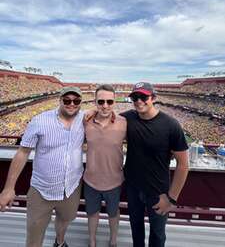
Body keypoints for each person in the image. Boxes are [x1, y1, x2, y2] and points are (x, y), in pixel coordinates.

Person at [0, 87, 85, 247]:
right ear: (59, 100)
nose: (71, 104)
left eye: (76, 101)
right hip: (42, 190)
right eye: (67, 100)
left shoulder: (84, 118)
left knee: (65, 220)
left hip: (71, 188)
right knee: (34, 235)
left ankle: (59, 242)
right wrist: (9, 188)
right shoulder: (39, 120)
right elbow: (22, 153)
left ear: (80, 103)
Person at [120, 82, 189, 247]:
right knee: (136, 232)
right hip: (133, 188)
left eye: (143, 97)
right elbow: (107, 116)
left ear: (153, 98)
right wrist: (93, 110)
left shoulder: (171, 125)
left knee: (157, 236)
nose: (138, 101)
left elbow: (183, 165)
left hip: (159, 192)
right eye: (135, 97)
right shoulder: (129, 117)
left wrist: (172, 198)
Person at [83, 84, 127, 247]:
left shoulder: (124, 123)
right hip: (90, 180)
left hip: (114, 180)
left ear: (115, 102)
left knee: (113, 214)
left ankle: (113, 241)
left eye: (109, 101)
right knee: (92, 214)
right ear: (95, 102)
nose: (105, 105)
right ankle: (92, 242)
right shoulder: (86, 121)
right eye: (101, 102)